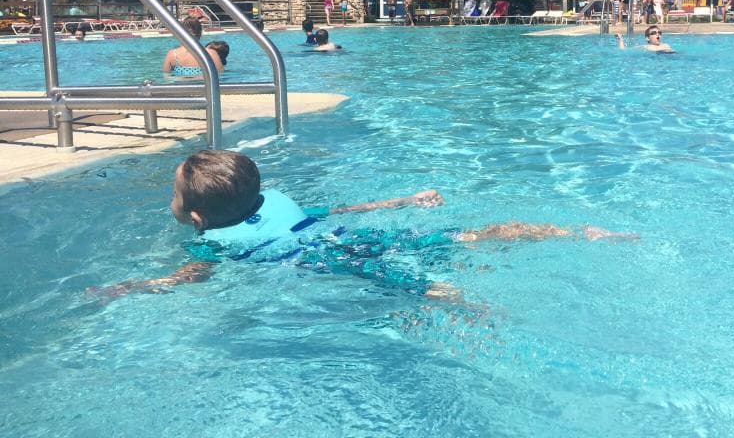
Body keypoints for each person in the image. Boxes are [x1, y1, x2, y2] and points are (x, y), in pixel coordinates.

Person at [93, 150, 635, 301]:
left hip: (324, 259)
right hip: (347, 235)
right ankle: (567, 231)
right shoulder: (279, 203)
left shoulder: (212, 244)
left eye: (173, 193)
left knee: (399, 282)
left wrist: (135, 286)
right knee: (450, 237)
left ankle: (459, 301)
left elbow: (189, 276)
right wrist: (404, 199)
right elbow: (343, 213)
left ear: (194, 217)